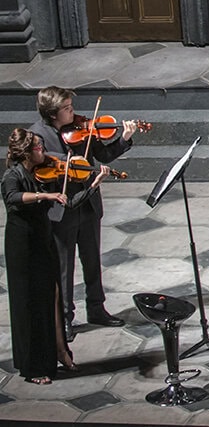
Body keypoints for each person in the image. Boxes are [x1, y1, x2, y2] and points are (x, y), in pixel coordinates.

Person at [30, 86, 137, 339]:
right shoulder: (36, 135)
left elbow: (104, 155)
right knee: (64, 268)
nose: (73, 112)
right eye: (67, 109)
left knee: (92, 261)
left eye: (71, 107)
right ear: (52, 113)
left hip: (88, 204)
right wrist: (66, 160)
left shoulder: (81, 129)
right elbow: (37, 163)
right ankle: (66, 318)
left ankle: (97, 309)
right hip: (62, 210)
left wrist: (124, 138)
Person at [3, 129, 76, 384]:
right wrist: (43, 195)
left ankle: (60, 350)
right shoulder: (13, 175)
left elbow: (64, 202)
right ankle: (33, 367)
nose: (43, 151)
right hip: (23, 245)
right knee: (29, 302)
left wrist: (92, 180)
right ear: (26, 152)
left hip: (43, 239)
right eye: (38, 147)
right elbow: (12, 197)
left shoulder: (40, 172)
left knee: (53, 295)